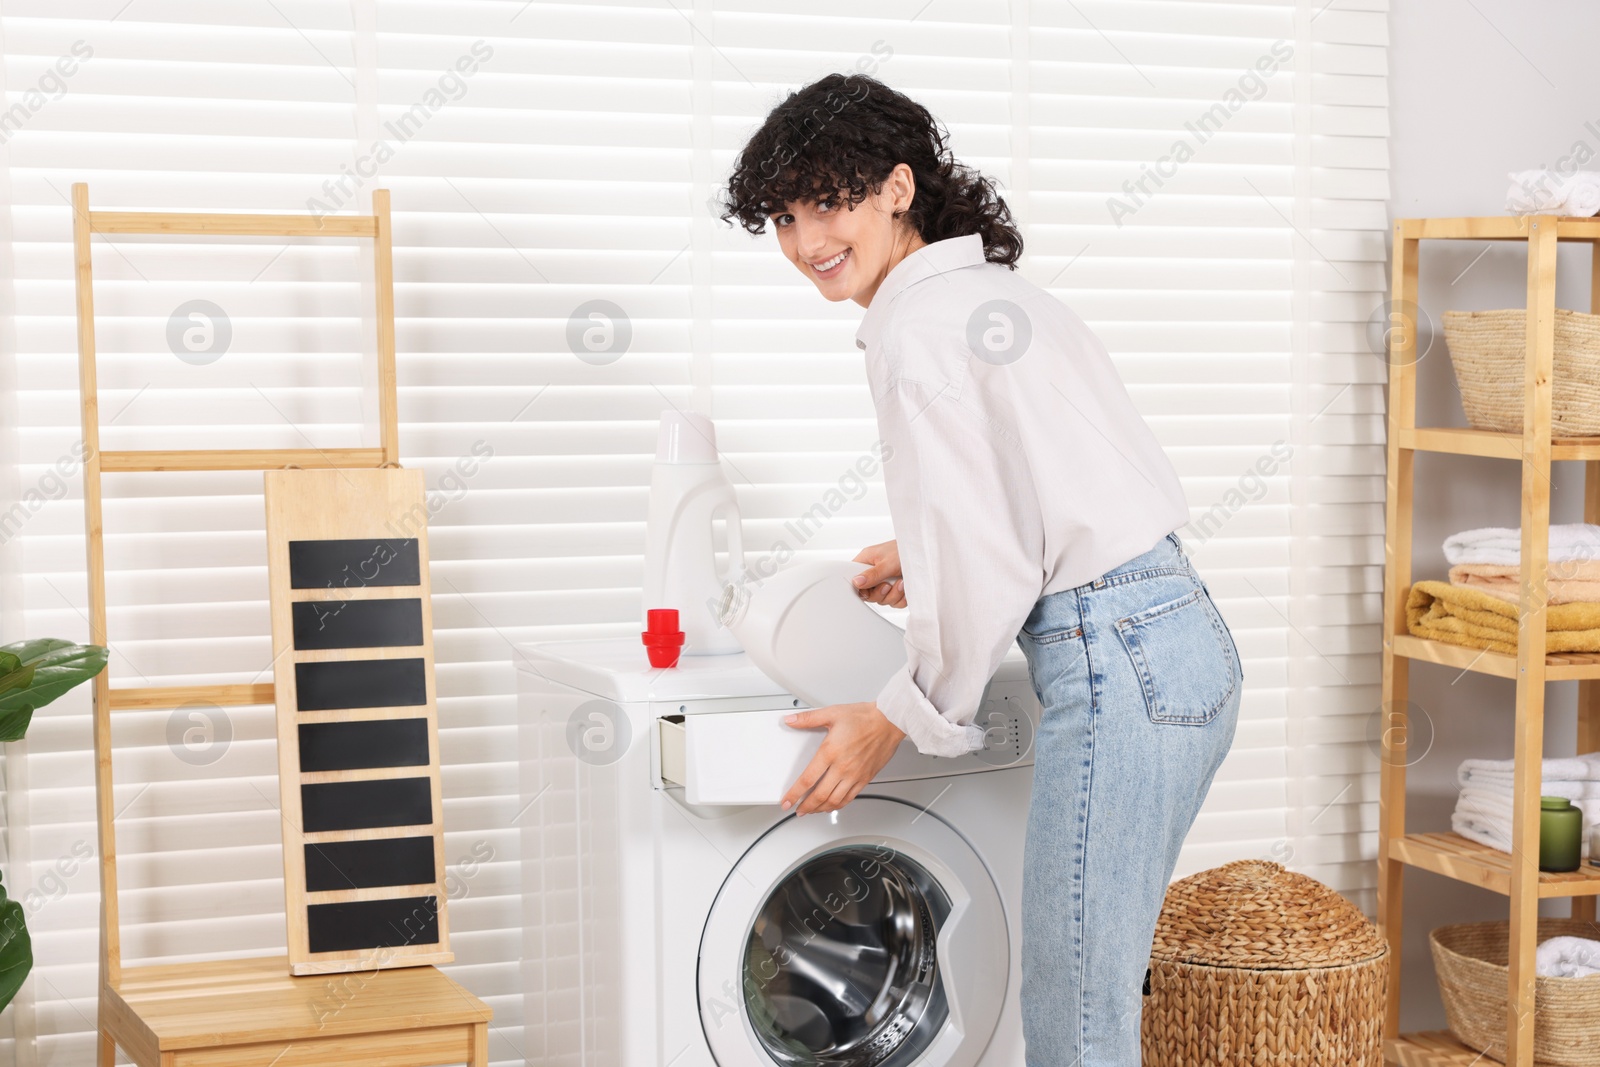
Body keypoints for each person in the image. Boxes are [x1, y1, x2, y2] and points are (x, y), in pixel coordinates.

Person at [719, 73, 1242, 1066]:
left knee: (1076, 1019)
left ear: (898, 189)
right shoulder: (993, 297)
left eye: (827, 201)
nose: (803, 241)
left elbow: (994, 545)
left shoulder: (917, 330)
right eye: (783, 217)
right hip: (1175, 639)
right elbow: (1052, 487)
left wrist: (893, 716)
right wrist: (933, 554)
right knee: (1091, 989)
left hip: (1113, 656)